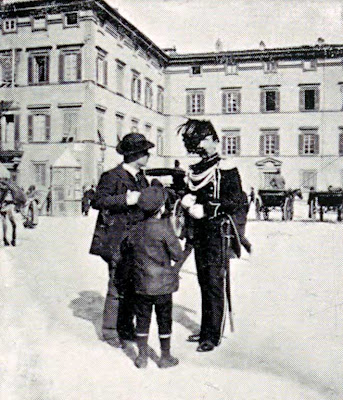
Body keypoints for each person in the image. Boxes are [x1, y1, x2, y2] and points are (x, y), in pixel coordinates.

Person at [178, 118, 247, 352]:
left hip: (218, 232)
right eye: (197, 141)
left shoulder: (225, 168)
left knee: (215, 283)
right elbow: (191, 191)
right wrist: (186, 199)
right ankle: (206, 329)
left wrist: (208, 209)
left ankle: (212, 335)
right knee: (203, 281)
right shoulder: (196, 169)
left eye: (204, 139)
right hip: (199, 233)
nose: (201, 145)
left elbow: (237, 201)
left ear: (215, 141)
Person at [89, 133, 154, 345]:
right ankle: (109, 332)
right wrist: (125, 199)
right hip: (116, 239)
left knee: (134, 286)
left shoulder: (141, 178)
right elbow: (98, 201)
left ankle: (126, 329)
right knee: (117, 286)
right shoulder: (112, 176)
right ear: (135, 155)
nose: (148, 155)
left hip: (137, 240)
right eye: (145, 152)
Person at [116, 186, 183, 368]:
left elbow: (124, 250)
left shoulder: (135, 229)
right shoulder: (164, 230)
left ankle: (142, 357)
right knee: (164, 320)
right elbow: (177, 254)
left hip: (141, 284)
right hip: (163, 286)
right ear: (161, 208)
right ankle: (165, 357)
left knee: (142, 320)